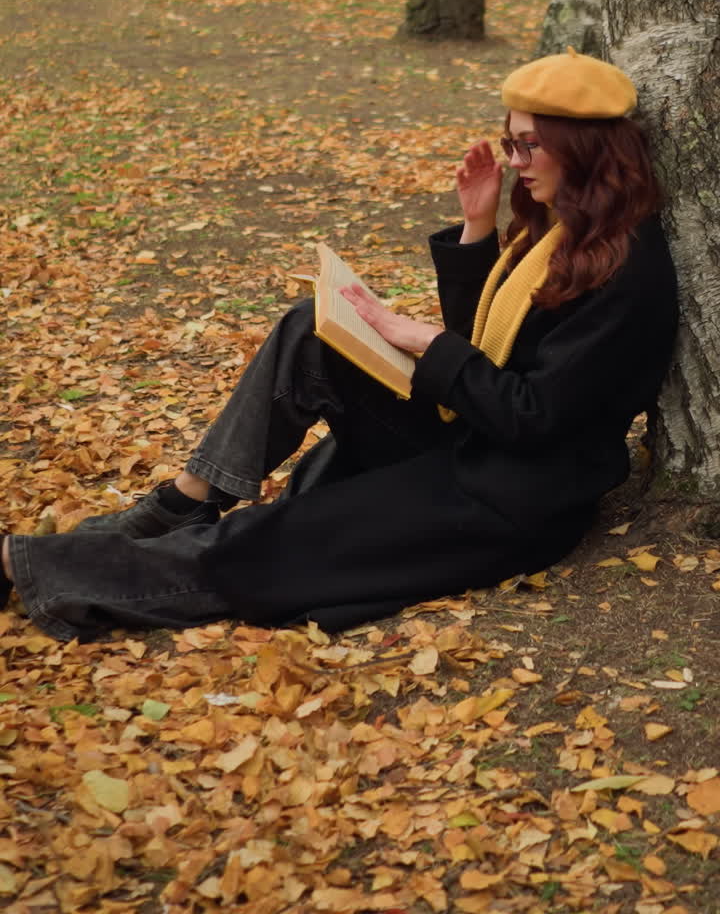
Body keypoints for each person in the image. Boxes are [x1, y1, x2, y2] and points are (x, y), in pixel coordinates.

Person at [0, 49, 678, 642]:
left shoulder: (627, 269)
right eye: (510, 143)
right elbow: (492, 349)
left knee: (270, 544)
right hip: (472, 443)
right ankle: (181, 501)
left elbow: (533, 418)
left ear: (583, 148)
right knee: (311, 330)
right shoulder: (557, 231)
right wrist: (477, 228)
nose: (515, 162)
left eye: (529, 145)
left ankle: (32, 567)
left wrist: (426, 343)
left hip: (510, 499)